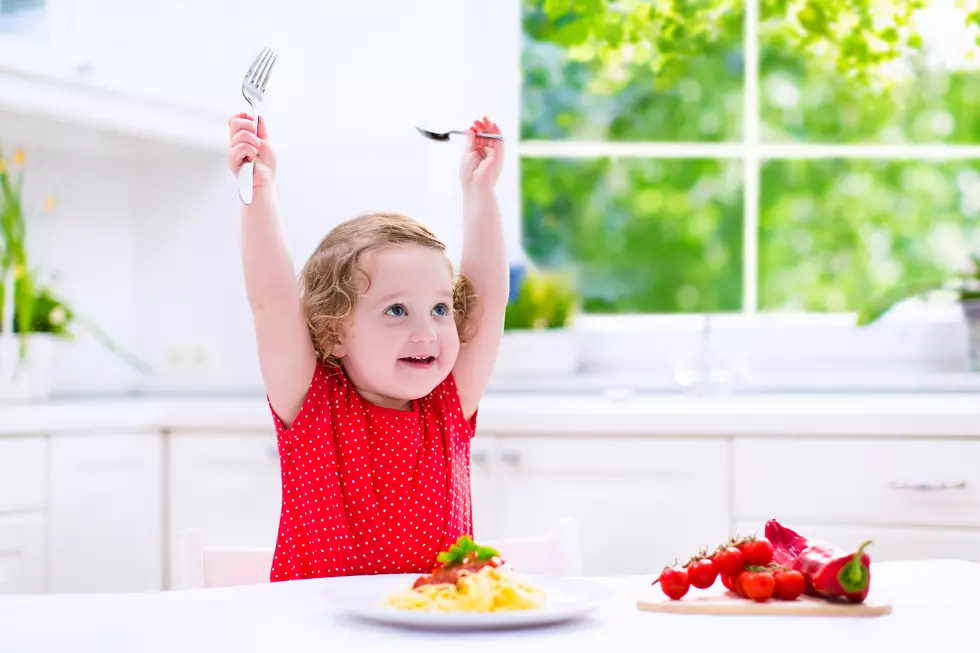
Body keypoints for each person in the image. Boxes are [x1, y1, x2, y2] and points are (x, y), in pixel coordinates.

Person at [226, 112, 508, 580]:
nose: (428, 332)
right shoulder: (314, 406)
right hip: (316, 633)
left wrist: (481, 193)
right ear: (335, 331)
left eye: (440, 309)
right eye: (397, 310)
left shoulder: (447, 406)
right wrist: (259, 193)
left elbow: (487, 301)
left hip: (430, 633)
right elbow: (272, 305)